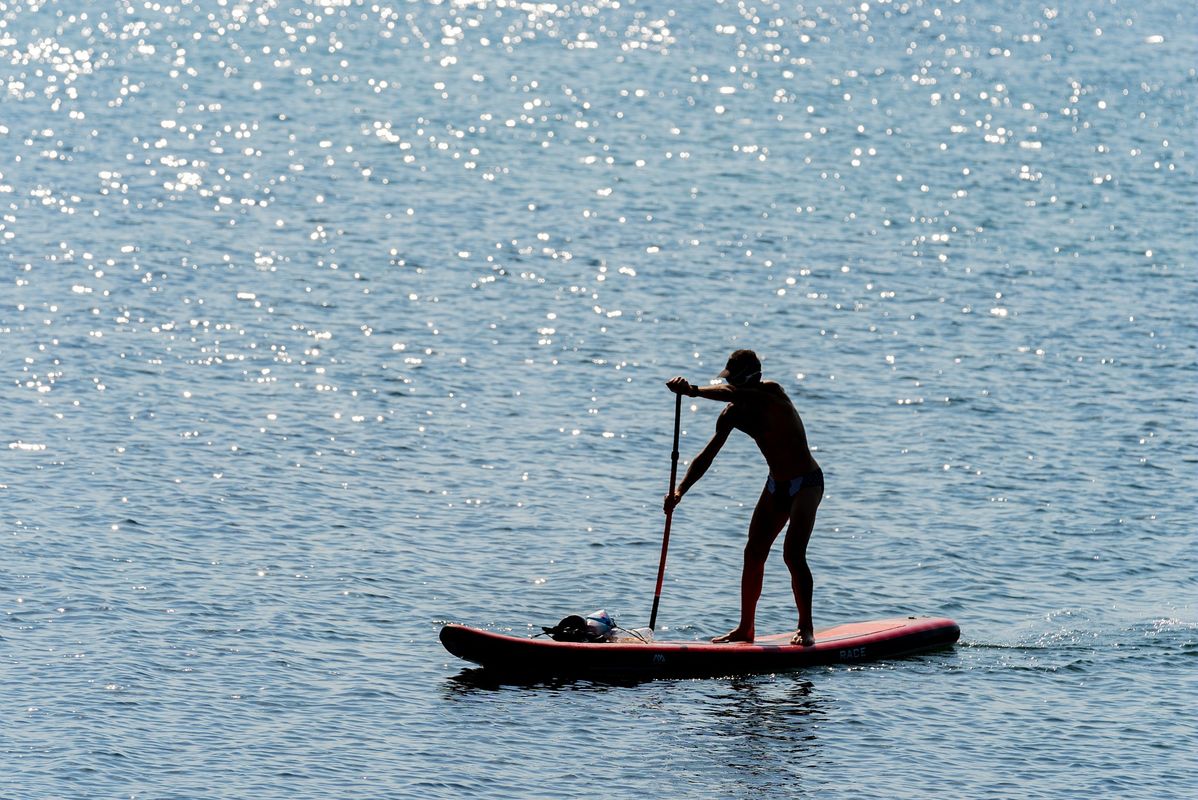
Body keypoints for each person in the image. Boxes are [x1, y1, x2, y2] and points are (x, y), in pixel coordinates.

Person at [664, 349, 823, 646]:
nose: (731, 387)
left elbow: (730, 392)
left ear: (751, 379)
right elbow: (707, 456)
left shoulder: (771, 393)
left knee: (792, 554)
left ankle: (806, 628)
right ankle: (745, 628)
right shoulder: (733, 413)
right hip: (777, 485)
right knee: (753, 553)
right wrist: (680, 490)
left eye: (735, 382)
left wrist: (692, 392)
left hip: (806, 484)